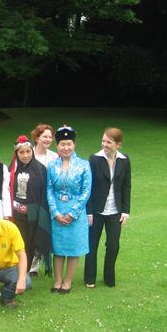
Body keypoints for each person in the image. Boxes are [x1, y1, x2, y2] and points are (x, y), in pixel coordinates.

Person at [47, 126, 92, 294]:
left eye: (69, 144)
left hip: (76, 213)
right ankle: (57, 280)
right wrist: (55, 212)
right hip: (57, 211)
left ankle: (68, 281)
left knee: (73, 249)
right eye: (62, 144)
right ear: (57, 146)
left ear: (74, 144)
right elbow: (49, 189)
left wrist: (73, 213)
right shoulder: (52, 165)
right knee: (58, 249)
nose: (66, 148)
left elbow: (86, 191)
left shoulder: (84, 165)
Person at [84, 128, 131, 288]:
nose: (105, 144)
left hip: (115, 211)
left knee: (113, 245)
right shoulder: (94, 159)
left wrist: (126, 211)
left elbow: (126, 186)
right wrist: (88, 211)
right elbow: (88, 187)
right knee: (92, 245)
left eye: (109, 142)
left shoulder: (125, 160)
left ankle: (109, 277)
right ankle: (89, 278)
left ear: (118, 144)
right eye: (103, 141)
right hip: (96, 211)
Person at [9, 135, 52, 275]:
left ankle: (24, 273)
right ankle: (15, 272)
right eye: (21, 152)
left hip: (33, 214)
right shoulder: (12, 170)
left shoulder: (40, 169)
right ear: (16, 153)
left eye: (28, 151)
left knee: (30, 243)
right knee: (17, 243)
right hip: (16, 214)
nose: (25, 155)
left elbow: (43, 193)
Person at [29, 123, 58, 275]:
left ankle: (37, 264)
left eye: (50, 137)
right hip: (32, 199)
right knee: (32, 231)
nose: (48, 139)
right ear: (37, 137)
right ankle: (30, 264)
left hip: (48, 200)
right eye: (44, 136)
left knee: (44, 231)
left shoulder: (54, 157)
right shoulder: (28, 153)